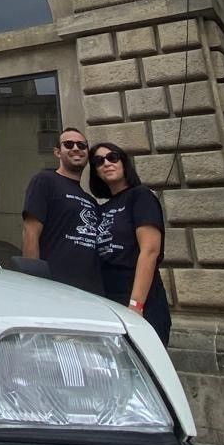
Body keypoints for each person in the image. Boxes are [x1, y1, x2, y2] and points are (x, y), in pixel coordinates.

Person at [89, 142, 172, 346]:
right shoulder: (102, 208)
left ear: (124, 162)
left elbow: (150, 251)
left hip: (140, 299)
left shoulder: (140, 196)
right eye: (98, 161)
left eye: (112, 157)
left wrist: (136, 305)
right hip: (110, 299)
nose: (106, 163)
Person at [21, 128, 103, 292]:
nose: (76, 148)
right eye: (69, 144)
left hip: (91, 291)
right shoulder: (45, 181)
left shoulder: (91, 201)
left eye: (81, 145)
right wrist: (33, 283)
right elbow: (30, 232)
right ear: (57, 152)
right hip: (55, 287)